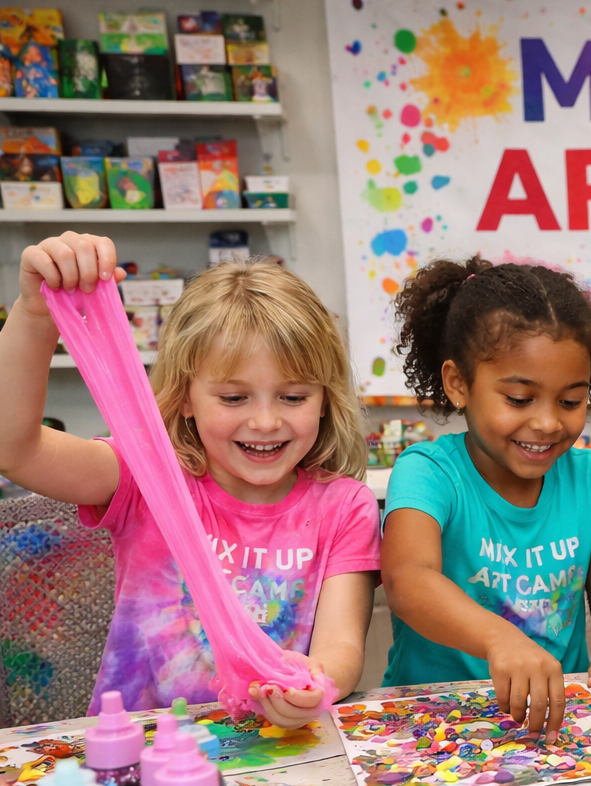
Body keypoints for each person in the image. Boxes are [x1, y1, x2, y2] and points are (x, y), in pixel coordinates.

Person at [0, 232, 380, 726]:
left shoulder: (345, 506)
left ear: (325, 399)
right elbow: (15, 449)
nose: (265, 422)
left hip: (280, 755)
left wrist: (314, 682)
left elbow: (342, 646)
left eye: (292, 397)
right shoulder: (143, 479)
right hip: (143, 756)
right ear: (185, 397)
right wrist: (34, 316)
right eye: (233, 398)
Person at [381, 257, 591, 736]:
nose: (548, 422)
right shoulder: (428, 473)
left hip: (554, 723)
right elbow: (408, 581)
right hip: (436, 724)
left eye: (571, 401)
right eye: (519, 399)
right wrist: (500, 639)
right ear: (458, 384)